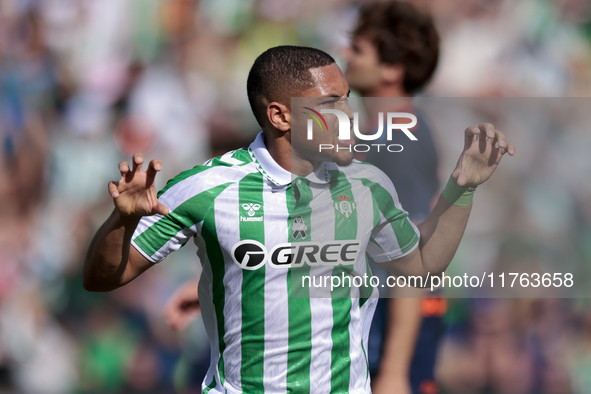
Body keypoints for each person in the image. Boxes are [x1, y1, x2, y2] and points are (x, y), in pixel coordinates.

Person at [83, 45, 514, 393]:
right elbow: (102, 278)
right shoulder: (207, 188)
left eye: (347, 99)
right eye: (331, 103)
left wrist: (462, 188)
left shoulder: (368, 186)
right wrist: (120, 223)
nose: (350, 115)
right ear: (280, 115)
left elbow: (420, 267)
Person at [343, 3, 442, 393]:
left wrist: (395, 372)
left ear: (393, 68)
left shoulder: (401, 138)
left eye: (358, 49)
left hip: (397, 323)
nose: (346, 56)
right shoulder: (378, 136)